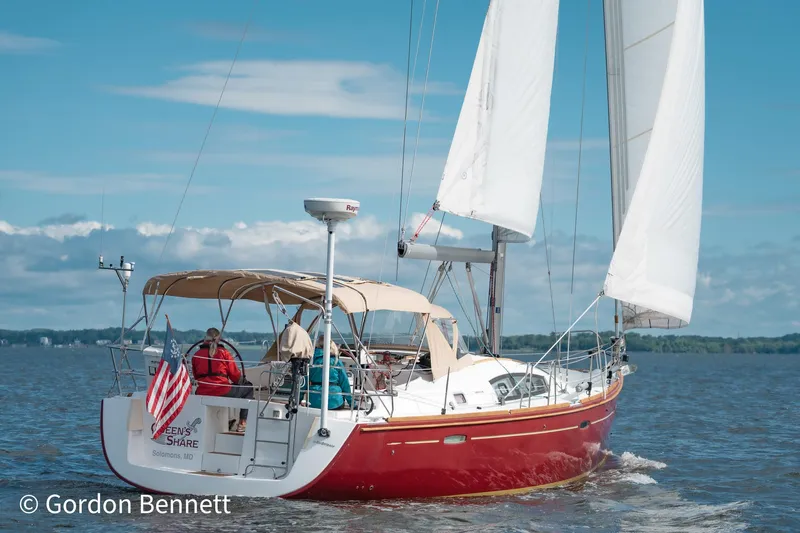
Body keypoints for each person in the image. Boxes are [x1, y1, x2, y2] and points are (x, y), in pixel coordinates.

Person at [191, 327, 253, 432]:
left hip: (203, 391)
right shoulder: (224, 353)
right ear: (219, 339)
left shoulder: (196, 355)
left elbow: (197, 377)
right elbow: (235, 376)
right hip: (222, 390)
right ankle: (242, 423)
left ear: (205, 338)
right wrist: (243, 382)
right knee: (249, 388)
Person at [307, 338, 352, 410]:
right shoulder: (336, 362)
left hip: (313, 401)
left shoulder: (311, 362)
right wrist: (352, 403)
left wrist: (298, 400)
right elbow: (345, 383)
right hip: (334, 402)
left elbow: (304, 382)